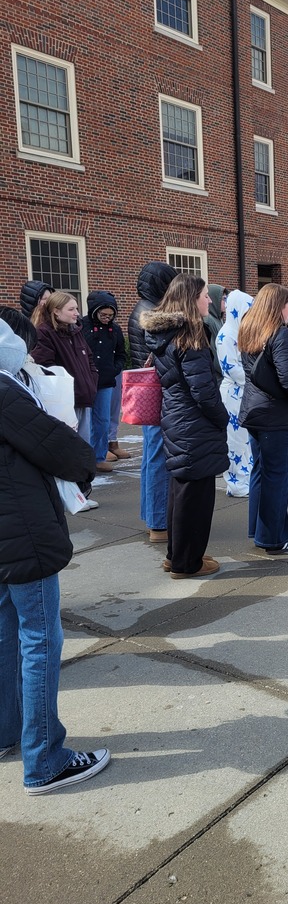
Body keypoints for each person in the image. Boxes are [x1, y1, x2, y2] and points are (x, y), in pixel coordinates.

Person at [0, 317, 111, 795]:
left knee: (6, 635)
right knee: (40, 640)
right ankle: (44, 758)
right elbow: (60, 448)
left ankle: (8, 732)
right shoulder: (4, 394)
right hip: (20, 532)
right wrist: (85, 462)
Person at [141, 275, 228, 577]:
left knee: (180, 492)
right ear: (192, 300)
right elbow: (203, 391)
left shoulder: (167, 333)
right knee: (196, 498)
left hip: (178, 420)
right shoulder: (190, 336)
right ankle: (187, 562)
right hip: (193, 424)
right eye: (205, 295)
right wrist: (222, 417)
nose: (211, 301)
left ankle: (175, 556)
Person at [238, 284, 288, 554]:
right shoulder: (279, 333)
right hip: (276, 416)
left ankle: (259, 530)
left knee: (261, 472)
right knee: (277, 478)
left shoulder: (251, 328)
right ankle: (273, 538)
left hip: (255, 412)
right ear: (278, 306)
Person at [128, 261, 177, 543]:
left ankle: (152, 517)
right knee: (158, 457)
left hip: (149, 392)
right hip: (157, 392)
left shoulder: (142, 307)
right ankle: (159, 523)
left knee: (151, 456)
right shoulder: (152, 311)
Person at [30, 291, 98, 445]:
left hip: (83, 398)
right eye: (71, 309)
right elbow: (45, 368)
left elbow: (89, 358)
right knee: (67, 447)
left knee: (84, 446)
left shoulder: (76, 331)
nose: (77, 313)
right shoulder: (44, 333)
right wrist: (68, 390)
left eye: (77, 309)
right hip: (64, 404)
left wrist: (91, 382)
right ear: (56, 311)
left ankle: (84, 470)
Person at [81, 291, 127, 474]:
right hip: (85, 380)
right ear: (95, 312)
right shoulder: (81, 326)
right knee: (84, 420)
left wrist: (114, 369)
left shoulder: (115, 330)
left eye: (110, 315)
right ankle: (85, 458)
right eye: (103, 315)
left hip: (106, 381)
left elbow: (121, 354)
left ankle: (99, 456)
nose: (107, 318)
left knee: (102, 420)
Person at [217, 289, 254, 497]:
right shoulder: (226, 335)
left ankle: (245, 477)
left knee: (246, 440)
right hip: (233, 394)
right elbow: (231, 367)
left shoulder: (241, 333)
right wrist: (253, 378)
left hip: (245, 392)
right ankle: (236, 482)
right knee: (236, 440)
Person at [204, 284, 228, 380]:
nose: (226, 302)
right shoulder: (208, 320)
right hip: (218, 377)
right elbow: (214, 352)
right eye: (223, 299)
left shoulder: (219, 319)